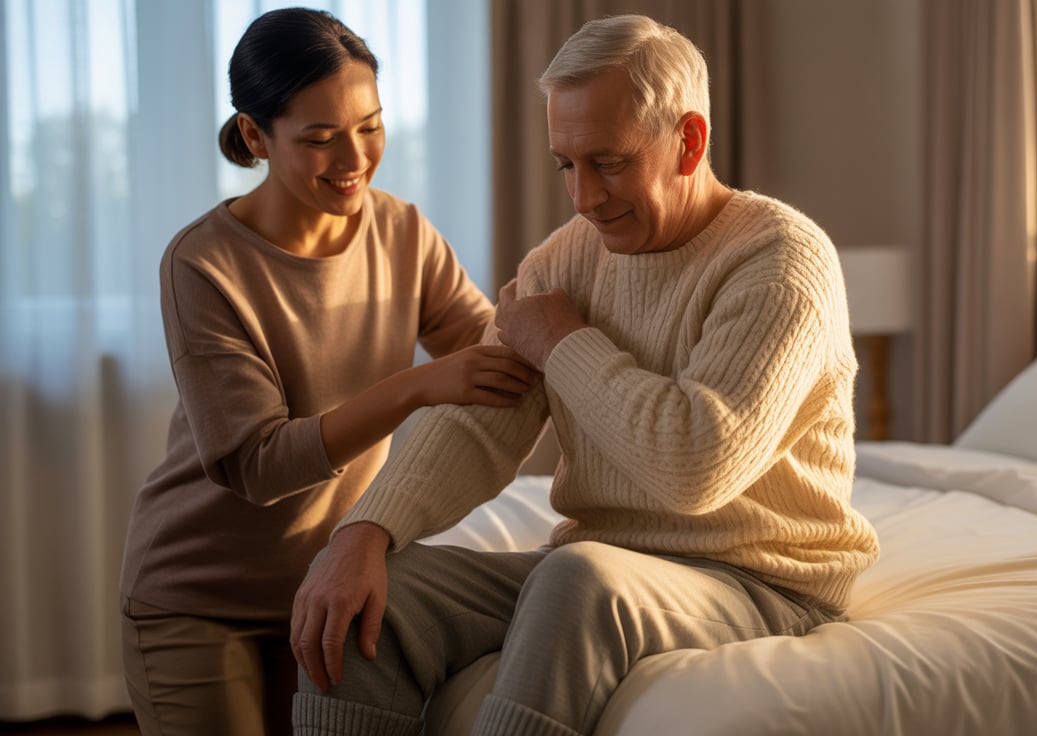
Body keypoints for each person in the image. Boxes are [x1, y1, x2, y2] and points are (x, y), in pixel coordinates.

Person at [290, 13, 879, 736]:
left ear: (688, 141)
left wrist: (564, 342)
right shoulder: (564, 260)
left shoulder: (781, 262)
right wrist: (363, 534)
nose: (584, 197)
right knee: (379, 596)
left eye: (609, 162)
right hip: (608, 571)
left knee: (576, 579)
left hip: (761, 580)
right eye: (567, 164)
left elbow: (696, 468)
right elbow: (475, 421)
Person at [118, 8, 537, 736]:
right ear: (255, 135)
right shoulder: (203, 264)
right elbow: (259, 464)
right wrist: (415, 385)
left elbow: (496, 357)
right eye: (319, 138)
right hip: (199, 597)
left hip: (327, 590)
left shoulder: (402, 231)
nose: (354, 158)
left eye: (369, 126)